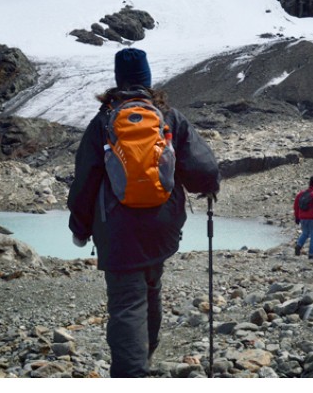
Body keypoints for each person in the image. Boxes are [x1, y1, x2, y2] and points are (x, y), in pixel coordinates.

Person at [67, 48, 220, 378]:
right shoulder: (168, 116)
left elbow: (85, 181)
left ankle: (132, 374)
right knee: (151, 287)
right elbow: (204, 169)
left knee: (126, 302)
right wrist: (209, 188)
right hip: (161, 226)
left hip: (118, 230)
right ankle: (145, 356)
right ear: (148, 79)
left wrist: (80, 228)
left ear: (118, 80)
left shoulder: (104, 121)